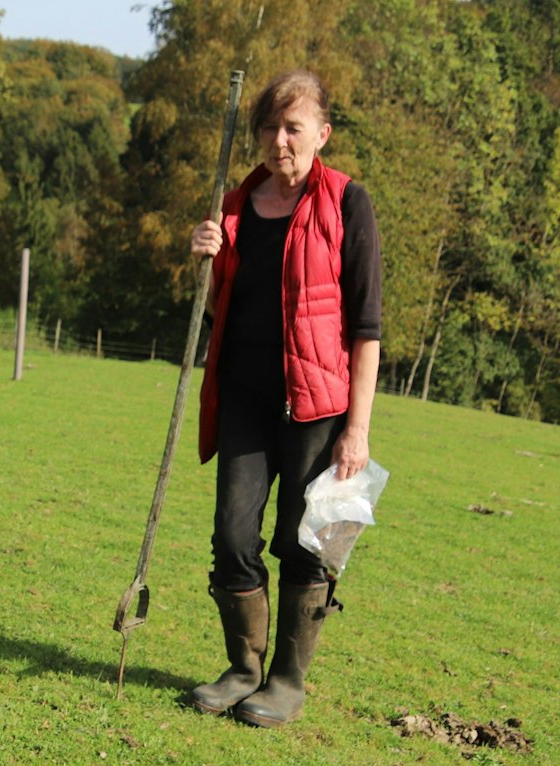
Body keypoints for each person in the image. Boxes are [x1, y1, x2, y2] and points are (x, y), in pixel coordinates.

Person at [185, 70, 381, 727]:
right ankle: (243, 668)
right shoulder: (236, 204)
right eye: (268, 127)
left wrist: (358, 429)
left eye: (292, 127)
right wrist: (205, 255)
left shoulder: (347, 203)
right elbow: (219, 305)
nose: (278, 140)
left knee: (307, 542)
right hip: (242, 395)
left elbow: (368, 326)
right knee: (232, 536)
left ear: (321, 134)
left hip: (319, 405)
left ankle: (287, 680)